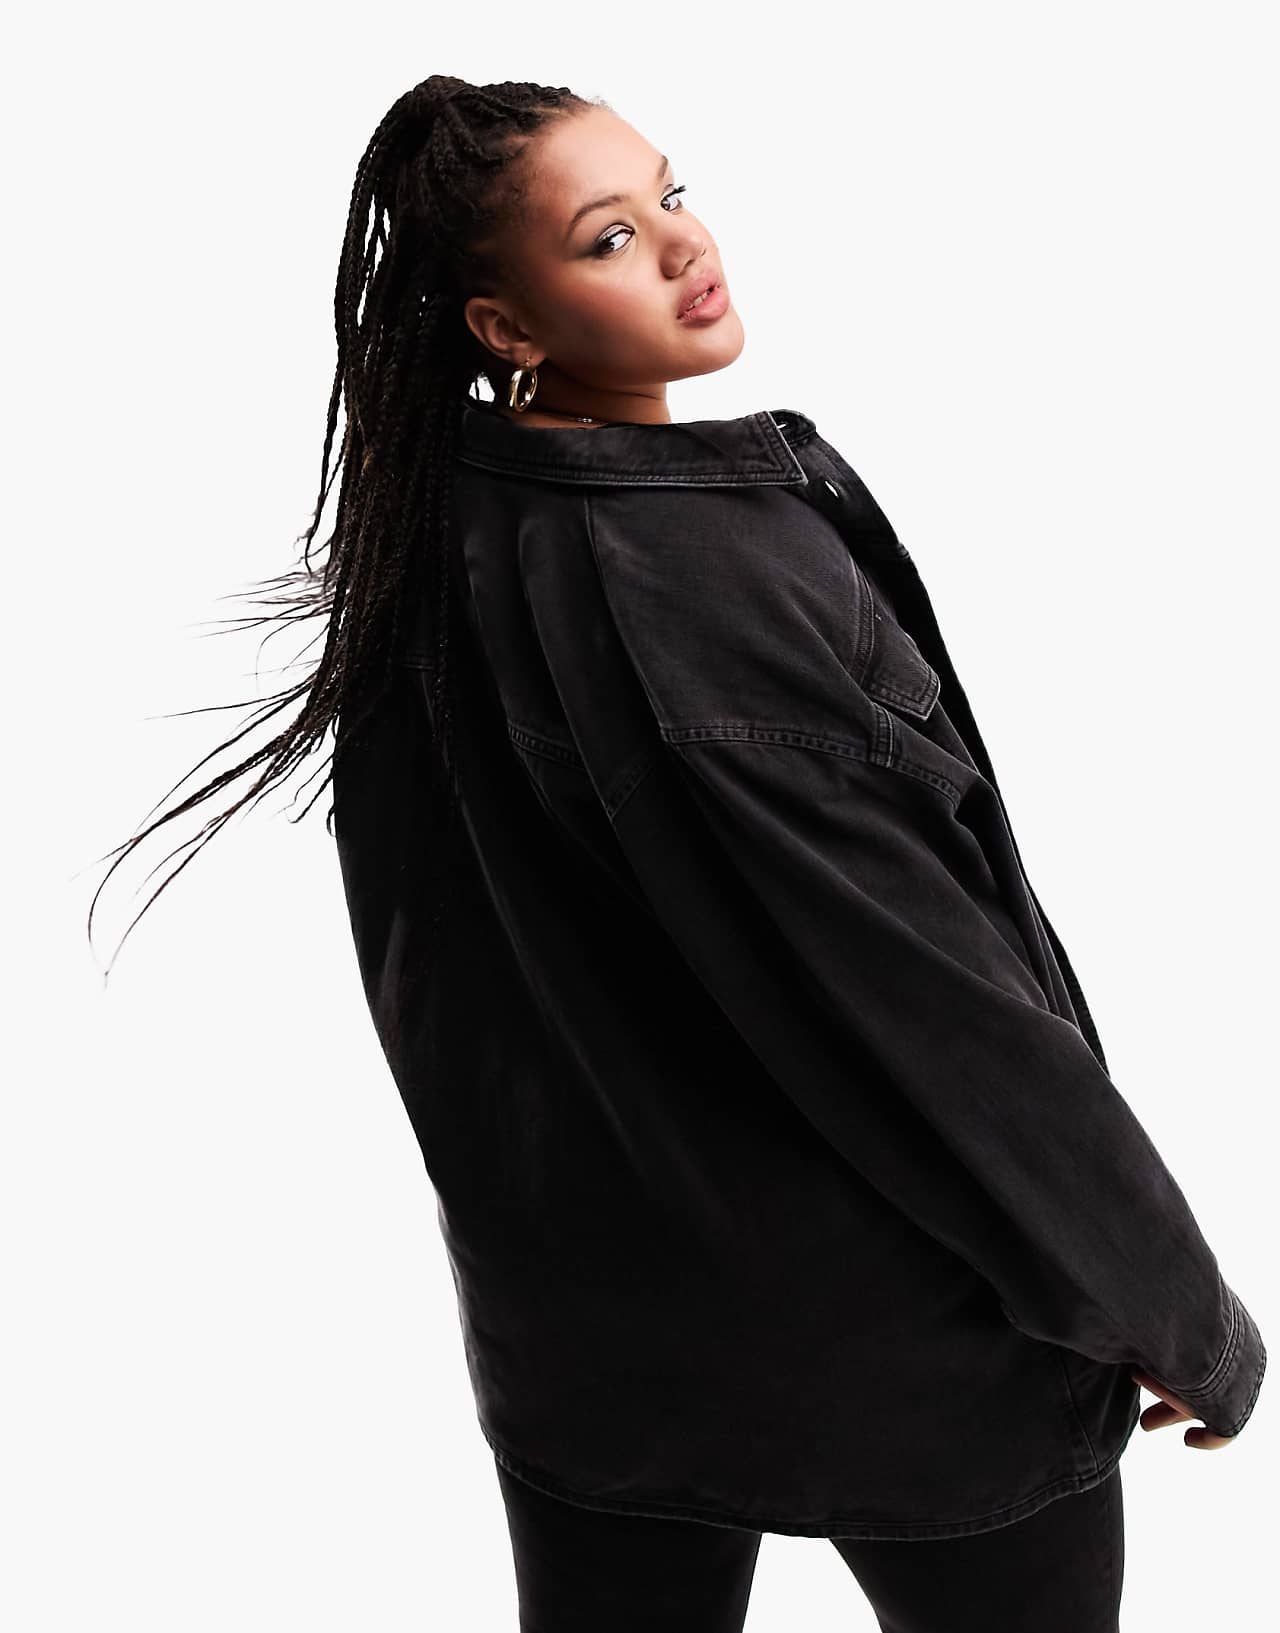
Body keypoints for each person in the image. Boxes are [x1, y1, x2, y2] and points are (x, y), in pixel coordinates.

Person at [89, 76, 1265, 1633]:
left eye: (669, 194)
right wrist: (1171, 1305)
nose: (683, 246)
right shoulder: (717, 577)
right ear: (506, 326)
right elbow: (937, 1005)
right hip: (913, 1339)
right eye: (608, 238)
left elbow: (438, 988)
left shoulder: (424, 540)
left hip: (591, 1351)